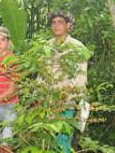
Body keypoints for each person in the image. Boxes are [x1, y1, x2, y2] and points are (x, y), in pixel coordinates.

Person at [39, 10, 90, 153]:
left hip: (66, 102)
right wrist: (38, 95)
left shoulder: (78, 47)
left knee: (63, 140)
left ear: (68, 25)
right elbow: (42, 73)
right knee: (48, 140)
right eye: (53, 22)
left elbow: (80, 77)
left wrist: (64, 94)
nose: (56, 25)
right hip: (47, 101)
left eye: (60, 22)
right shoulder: (47, 45)